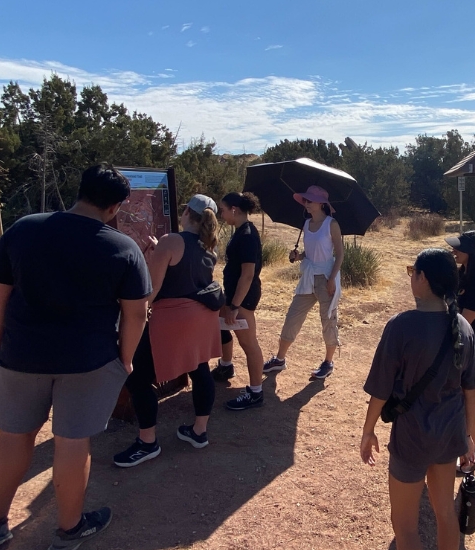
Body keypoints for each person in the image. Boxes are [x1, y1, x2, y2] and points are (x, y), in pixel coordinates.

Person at [0, 163, 150, 550]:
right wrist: (125, 360)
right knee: (73, 442)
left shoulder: (25, 229)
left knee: (14, 435)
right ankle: (69, 529)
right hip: (90, 361)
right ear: (115, 207)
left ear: (77, 192)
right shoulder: (122, 248)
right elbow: (136, 314)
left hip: (20, 353)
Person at [360, 248, 475, 550]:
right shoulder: (462, 326)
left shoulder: (403, 326)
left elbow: (379, 389)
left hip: (412, 438)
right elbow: (473, 395)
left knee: (406, 528)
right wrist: (472, 441)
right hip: (449, 435)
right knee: (444, 512)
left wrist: (368, 429)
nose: (410, 278)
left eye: (413, 272)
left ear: (424, 279)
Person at [112, 195, 222, 467]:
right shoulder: (210, 247)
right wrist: (159, 250)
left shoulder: (171, 241)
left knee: (138, 378)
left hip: (173, 319)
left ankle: (147, 442)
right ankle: (199, 431)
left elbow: (152, 288)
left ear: (186, 212)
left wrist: (131, 315)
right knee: (200, 369)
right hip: (201, 318)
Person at [263, 185, 344, 380]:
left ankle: (328, 362)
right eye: (305, 200)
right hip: (308, 277)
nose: (306, 203)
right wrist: (298, 256)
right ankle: (280, 359)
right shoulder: (306, 225)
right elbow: (311, 252)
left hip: (325, 278)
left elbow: (339, 254)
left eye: (309, 200)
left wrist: (332, 279)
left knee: (328, 320)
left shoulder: (331, 224)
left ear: (321, 203)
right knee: (293, 316)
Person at [212, 191, 267, 411]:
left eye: (223, 210)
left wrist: (234, 306)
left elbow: (247, 274)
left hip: (242, 299)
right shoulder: (243, 231)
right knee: (222, 325)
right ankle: (226, 366)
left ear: (234, 209)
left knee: (249, 344)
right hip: (236, 295)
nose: (222, 215)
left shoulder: (246, 235)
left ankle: (255, 392)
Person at [446, 230, 475, 470]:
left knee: (472, 399)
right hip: (457, 345)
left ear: (472, 253)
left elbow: (464, 323)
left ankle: (471, 450)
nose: (454, 250)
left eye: (459, 248)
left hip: (471, 348)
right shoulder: (462, 274)